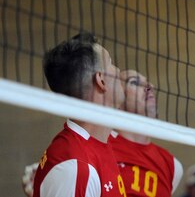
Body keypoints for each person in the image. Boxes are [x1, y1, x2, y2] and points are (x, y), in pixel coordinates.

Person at [33, 32, 127, 197]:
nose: (118, 70)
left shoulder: (97, 144)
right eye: (111, 63)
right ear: (101, 80)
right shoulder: (76, 168)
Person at [110, 70, 183, 197]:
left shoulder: (172, 165)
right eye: (135, 82)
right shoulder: (100, 147)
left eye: (148, 82)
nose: (150, 87)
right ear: (117, 100)